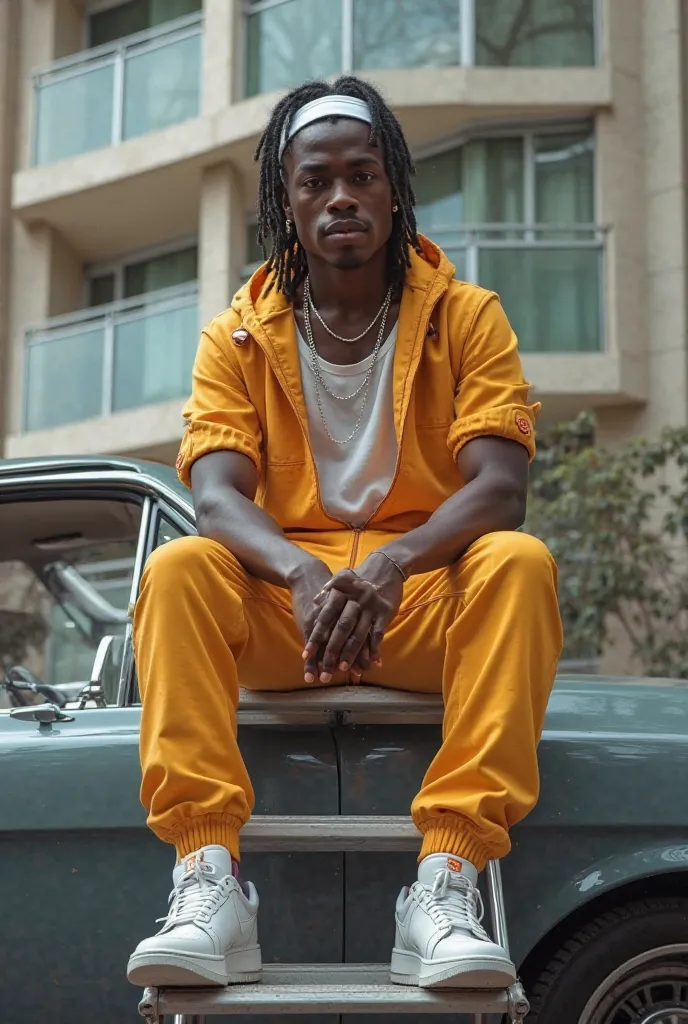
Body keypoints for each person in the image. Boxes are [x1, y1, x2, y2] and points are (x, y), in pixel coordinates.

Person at [126, 76, 562, 992]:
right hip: (291, 614)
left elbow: (501, 485)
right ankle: (210, 879)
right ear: (285, 201)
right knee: (178, 571)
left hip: (419, 605)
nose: (340, 197)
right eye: (315, 180)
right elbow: (215, 496)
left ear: (393, 187)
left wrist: (397, 562)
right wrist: (299, 572)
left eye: (361, 175)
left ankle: (444, 879)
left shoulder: (466, 317)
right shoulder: (237, 335)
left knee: (517, 565)